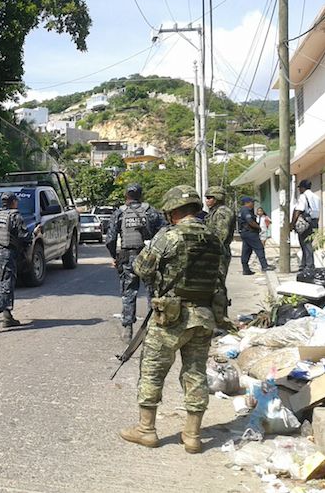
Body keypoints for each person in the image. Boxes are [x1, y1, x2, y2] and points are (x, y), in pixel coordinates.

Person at [120, 185, 223, 454]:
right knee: (195, 373)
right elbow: (219, 278)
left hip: (170, 317)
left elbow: (141, 267)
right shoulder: (214, 238)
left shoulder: (169, 236)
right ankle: (193, 436)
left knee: (152, 371)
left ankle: (146, 430)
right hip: (203, 315)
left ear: (172, 211)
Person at [105, 183, 164, 343]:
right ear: (141, 195)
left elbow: (110, 239)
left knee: (129, 292)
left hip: (127, 258)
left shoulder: (120, 213)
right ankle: (153, 327)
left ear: (126, 195)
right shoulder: (151, 212)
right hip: (148, 258)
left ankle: (128, 329)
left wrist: (115, 257)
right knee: (152, 292)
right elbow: (164, 231)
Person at [0, 192, 41, 332]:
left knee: (2, 285)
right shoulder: (15, 216)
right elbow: (24, 237)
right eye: (16, 201)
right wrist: (35, 233)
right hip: (7, 255)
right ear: (13, 202)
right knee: (6, 286)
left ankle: (8, 318)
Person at [204, 186, 237, 330]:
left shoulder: (223, 212)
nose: (207, 201)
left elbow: (220, 236)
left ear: (217, 198)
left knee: (218, 286)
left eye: (210, 198)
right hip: (213, 253)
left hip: (218, 254)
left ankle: (221, 319)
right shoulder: (214, 212)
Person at [238, 196, 274, 275]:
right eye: (252, 202)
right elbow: (250, 221)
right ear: (247, 203)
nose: (253, 204)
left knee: (246, 251)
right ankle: (264, 266)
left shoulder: (242, 210)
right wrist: (258, 227)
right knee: (259, 248)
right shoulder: (246, 210)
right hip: (250, 233)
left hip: (245, 233)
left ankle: (246, 269)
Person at [291, 179, 321, 273]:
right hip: (315, 222)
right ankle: (304, 265)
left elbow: (298, 210)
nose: (299, 190)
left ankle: (309, 266)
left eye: (299, 188)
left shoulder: (303, 196)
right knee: (307, 244)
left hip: (306, 222)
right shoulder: (316, 197)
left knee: (306, 245)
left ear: (303, 188)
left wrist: (292, 224)